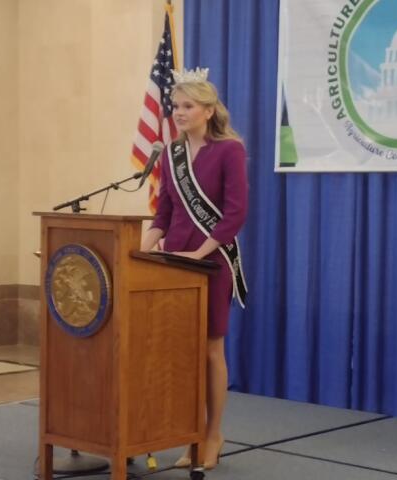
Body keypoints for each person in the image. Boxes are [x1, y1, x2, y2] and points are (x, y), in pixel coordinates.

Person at [141, 67, 248, 470]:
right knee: (179, 353)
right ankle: (188, 433)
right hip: (173, 262)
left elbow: (235, 214)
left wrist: (200, 253)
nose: (178, 113)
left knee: (209, 351)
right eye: (175, 106)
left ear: (207, 110)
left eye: (187, 106)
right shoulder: (170, 154)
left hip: (211, 261)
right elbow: (164, 209)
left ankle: (213, 434)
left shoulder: (230, 150)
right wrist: (142, 249)